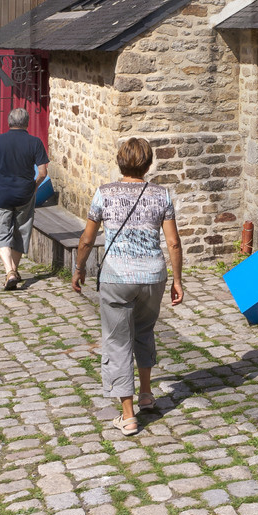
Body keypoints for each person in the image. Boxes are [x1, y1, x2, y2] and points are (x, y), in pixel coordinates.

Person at [73, 137, 184, 436]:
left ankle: (128, 415)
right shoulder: (161, 195)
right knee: (145, 331)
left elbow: (87, 239)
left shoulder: (104, 193)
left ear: (120, 161)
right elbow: (173, 242)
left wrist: (79, 268)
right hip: (152, 276)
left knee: (117, 341)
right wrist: (177, 280)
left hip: (117, 278)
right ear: (148, 164)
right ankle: (146, 394)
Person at [0, 107, 49, 291]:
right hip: (24, 194)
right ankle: (14, 271)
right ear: (27, 123)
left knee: (2, 233)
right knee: (21, 232)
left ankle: (9, 271)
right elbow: (43, 172)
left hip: (2, 194)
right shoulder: (35, 142)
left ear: (9, 122)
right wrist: (34, 186)